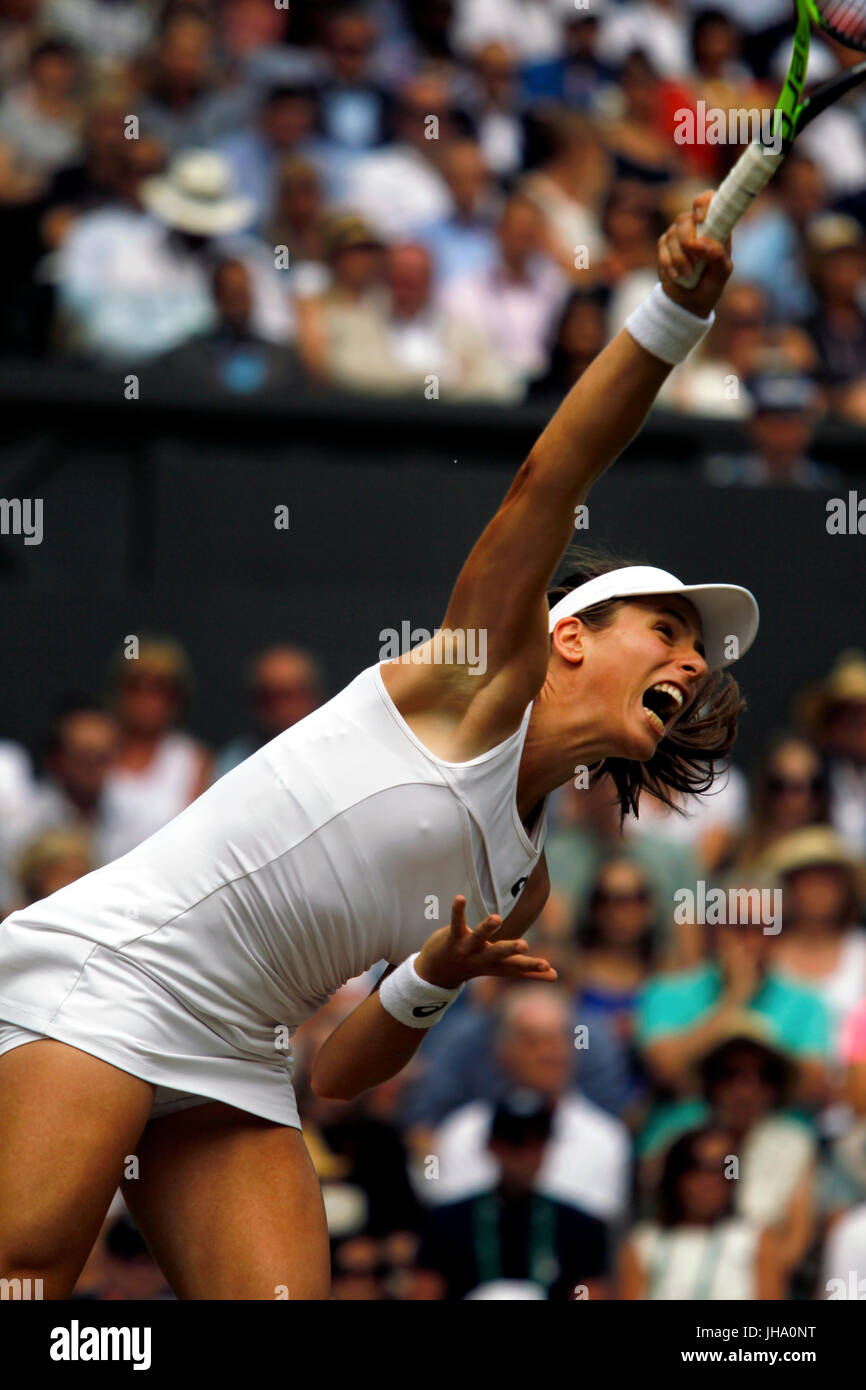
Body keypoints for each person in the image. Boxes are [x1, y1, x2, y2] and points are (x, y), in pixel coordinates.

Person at [0, 192, 757, 1300]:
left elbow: (347, 1069)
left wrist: (436, 975)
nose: (689, 663)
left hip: (239, 1053)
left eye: (697, 658)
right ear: (568, 633)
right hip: (118, 973)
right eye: (667, 630)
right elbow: (552, 471)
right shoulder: (470, 670)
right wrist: (671, 317)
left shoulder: (525, 877)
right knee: (27, 1280)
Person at [414, 1090, 609, 1299]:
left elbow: (589, 1292)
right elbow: (425, 1291)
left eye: (535, 1144)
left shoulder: (580, 1226)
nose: (524, 1156)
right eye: (515, 1143)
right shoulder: (446, 1222)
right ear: (492, 1147)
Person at [619, 1125, 786, 1298]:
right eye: (696, 1167)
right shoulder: (644, 1243)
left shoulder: (754, 1240)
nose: (708, 1182)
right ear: (675, 1175)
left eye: (722, 1170)